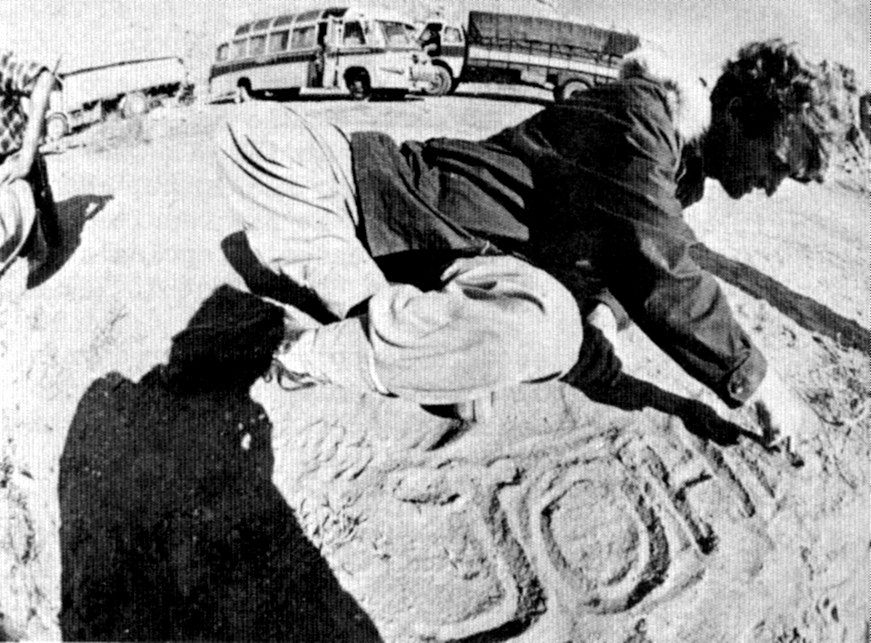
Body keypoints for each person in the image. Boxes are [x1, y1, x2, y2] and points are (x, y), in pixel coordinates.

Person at [217, 39, 856, 439]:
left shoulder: (677, 180)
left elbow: (614, 260)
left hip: (449, 268)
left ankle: (358, 343)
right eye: (778, 163)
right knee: (256, 134)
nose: (772, 186)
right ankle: (351, 349)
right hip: (362, 194)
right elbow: (661, 266)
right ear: (741, 114)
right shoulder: (643, 122)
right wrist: (757, 380)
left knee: (546, 329)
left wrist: (602, 318)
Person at [0, 49, 59, 267]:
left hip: (12, 160)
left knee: (37, 213)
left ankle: (46, 247)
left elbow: (44, 80)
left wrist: (26, 155)